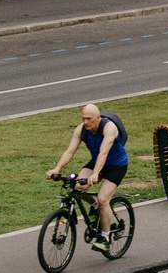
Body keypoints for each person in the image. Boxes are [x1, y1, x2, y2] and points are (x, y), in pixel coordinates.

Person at [47, 102, 129, 241]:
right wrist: (57, 169)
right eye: (83, 118)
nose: (85, 122)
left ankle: (105, 237)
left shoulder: (109, 128)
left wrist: (95, 174)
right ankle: (94, 205)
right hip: (96, 161)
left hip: (116, 165)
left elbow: (104, 152)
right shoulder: (81, 129)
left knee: (103, 199)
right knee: (77, 186)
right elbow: (69, 151)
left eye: (89, 119)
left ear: (98, 117)